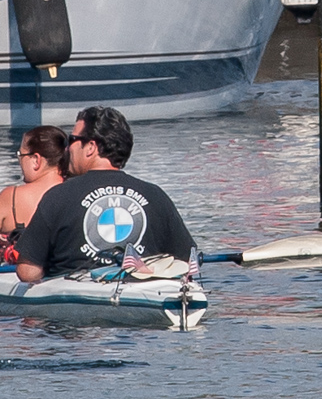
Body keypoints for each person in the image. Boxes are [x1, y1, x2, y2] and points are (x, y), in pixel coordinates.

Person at [14, 106, 196, 282]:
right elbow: (188, 260)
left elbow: (28, 272)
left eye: (72, 140)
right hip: (143, 293)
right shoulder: (156, 195)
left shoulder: (58, 196)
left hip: (76, 299)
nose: (67, 149)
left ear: (91, 147)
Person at [0, 125, 68, 264]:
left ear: (36, 160)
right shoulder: (77, 191)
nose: (20, 162)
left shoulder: (10, 197)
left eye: (21, 156)